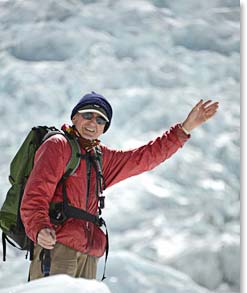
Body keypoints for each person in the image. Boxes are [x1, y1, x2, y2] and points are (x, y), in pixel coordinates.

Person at [20, 92, 219, 281]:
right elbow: (36, 193)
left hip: (89, 253)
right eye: (88, 115)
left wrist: (184, 130)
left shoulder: (99, 157)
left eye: (100, 120)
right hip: (58, 246)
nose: (93, 123)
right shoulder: (58, 146)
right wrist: (39, 228)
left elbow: (144, 157)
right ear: (75, 118)